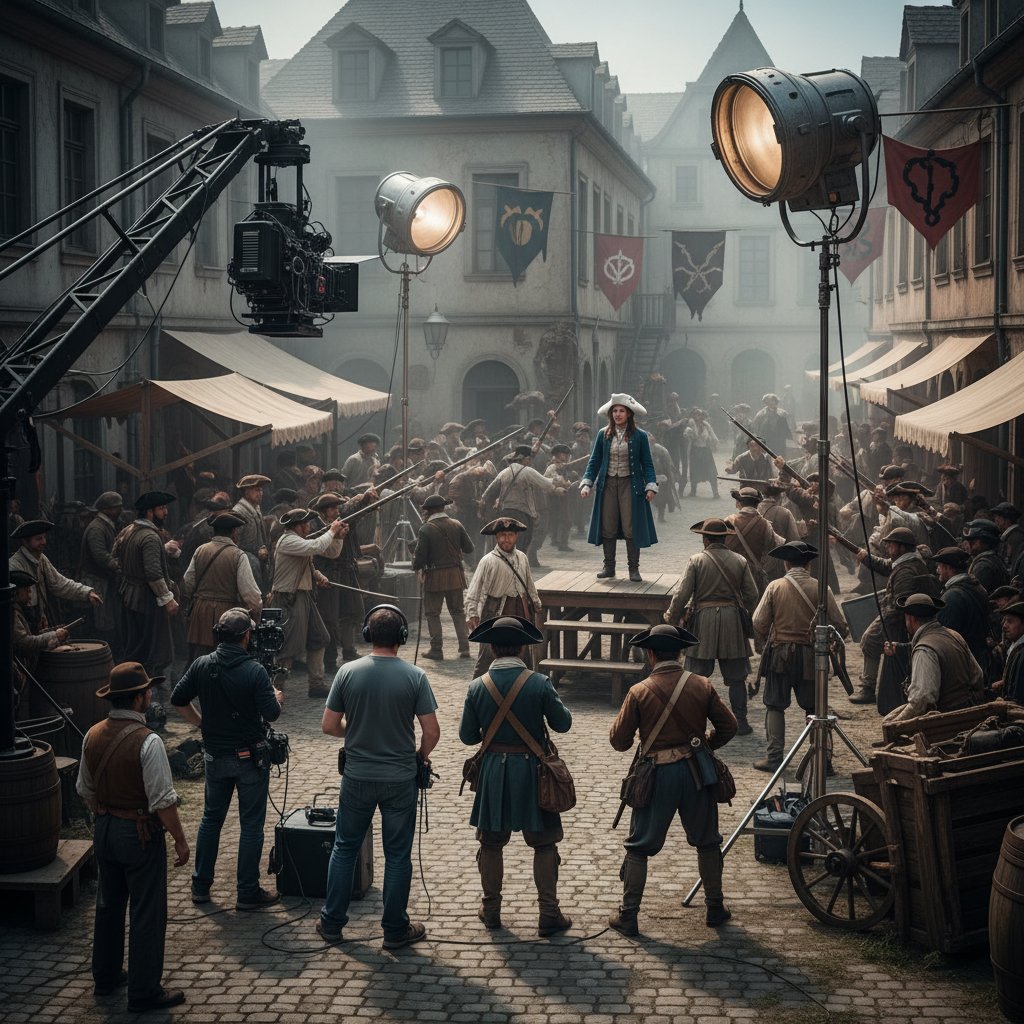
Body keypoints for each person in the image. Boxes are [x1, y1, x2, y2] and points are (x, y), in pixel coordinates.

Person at [318, 605, 440, 949]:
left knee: (344, 848)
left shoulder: (347, 672)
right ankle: (394, 930)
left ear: (367, 635)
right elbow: (431, 731)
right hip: (400, 779)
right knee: (398, 856)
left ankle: (331, 923)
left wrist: (356, 733)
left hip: (356, 776)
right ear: (402, 637)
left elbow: (329, 726)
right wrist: (420, 757)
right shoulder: (415, 676)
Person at [608, 624, 737, 933]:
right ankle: (715, 909)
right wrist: (703, 745)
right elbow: (729, 726)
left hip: (656, 776)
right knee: (707, 841)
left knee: (639, 846)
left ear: (650, 654)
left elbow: (619, 740)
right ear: (680, 653)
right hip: (697, 774)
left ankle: (628, 916)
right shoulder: (702, 685)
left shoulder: (639, 691)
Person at [76, 662, 189, 1012]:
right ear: (140, 698)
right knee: (146, 911)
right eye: (147, 691)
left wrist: (107, 812)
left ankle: (105, 977)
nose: (150, 695)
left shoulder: (92, 733)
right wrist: (181, 840)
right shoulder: (148, 740)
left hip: (105, 828)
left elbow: (85, 789)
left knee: (108, 905)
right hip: (137, 833)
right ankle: (143, 991)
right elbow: (163, 801)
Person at [459, 615, 573, 936]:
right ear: (523, 648)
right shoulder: (538, 682)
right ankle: (549, 914)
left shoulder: (476, 686)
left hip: (494, 772)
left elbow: (468, 736)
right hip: (534, 772)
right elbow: (563, 723)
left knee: (491, 843)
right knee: (544, 843)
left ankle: (491, 911)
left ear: (492, 648)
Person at [170, 608, 283, 910]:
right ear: (246, 636)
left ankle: (200, 887)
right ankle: (247, 892)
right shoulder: (255, 671)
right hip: (250, 760)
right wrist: (275, 695)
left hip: (215, 757)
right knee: (250, 827)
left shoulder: (201, 665)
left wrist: (201, 723)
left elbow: (177, 699)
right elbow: (272, 713)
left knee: (210, 820)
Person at [750, 542, 848, 772]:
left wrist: (772, 637)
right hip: (811, 656)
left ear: (786, 564)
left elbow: (758, 621)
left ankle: (774, 759)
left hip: (779, 655)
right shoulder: (822, 588)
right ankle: (823, 761)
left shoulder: (775, 586)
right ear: (808, 565)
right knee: (816, 709)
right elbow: (840, 624)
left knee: (775, 706)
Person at [664, 518, 759, 735]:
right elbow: (752, 595)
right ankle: (741, 722)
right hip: (732, 622)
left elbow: (681, 595)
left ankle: (693, 722)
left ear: (705, 539)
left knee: (695, 676)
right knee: (737, 678)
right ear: (725, 538)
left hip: (703, 621)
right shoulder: (740, 561)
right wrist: (737, 609)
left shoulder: (696, 560)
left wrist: (671, 618)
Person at [850, 526, 941, 711]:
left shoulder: (907, 570)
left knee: (870, 641)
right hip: (901, 619)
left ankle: (868, 687)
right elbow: (885, 566)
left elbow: (901, 604)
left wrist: (882, 623)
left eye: (891, 545)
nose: (888, 549)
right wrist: (865, 556)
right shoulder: (907, 562)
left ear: (901, 547)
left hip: (898, 619)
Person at [579, 393, 658, 582]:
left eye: (621, 411)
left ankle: (633, 569)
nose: (617, 414)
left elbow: (647, 463)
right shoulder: (602, 434)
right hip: (608, 484)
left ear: (629, 414)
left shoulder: (640, 436)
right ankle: (609, 566)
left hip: (630, 484)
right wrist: (587, 483)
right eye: (614, 411)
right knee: (608, 524)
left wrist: (650, 486)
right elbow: (595, 461)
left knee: (631, 526)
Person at [270, 507, 346, 697]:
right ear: (299, 525)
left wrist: (337, 536)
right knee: (288, 647)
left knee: (319, 637)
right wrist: (331, 530)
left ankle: (316, 684)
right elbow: (316, 547)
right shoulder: (287, 540)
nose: (309, 526)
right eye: (306, 523)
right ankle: (276, 688)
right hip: (289, 598)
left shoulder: (298, 540)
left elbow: (315, 559)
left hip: (303, 596)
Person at [881, 594, 985, 723]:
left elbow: (921, 701)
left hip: (948, 721)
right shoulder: (954, 635)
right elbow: (978, 676)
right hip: (972, 711)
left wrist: (894, 724)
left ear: (911, 618)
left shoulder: (924, 649)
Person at [112, 492, 179, 681]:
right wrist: (168, 599)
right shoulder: (149, 537)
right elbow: (153, 574)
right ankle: (149, 694)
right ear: (149, 512)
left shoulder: (130, 530)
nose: (166, 512)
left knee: (136, 646)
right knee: (152, 652)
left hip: (130, 596)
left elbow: (117, 556)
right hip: (146, 600)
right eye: (161, 509)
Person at [180, 511, 262, 663]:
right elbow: (250, 593)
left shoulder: (200, 550)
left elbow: (187, 583)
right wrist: (257, 611)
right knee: (223, 660)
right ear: (233, 532)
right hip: (227, 616)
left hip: (199, 612)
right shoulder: (238, 555)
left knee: (199, 659)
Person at [466, 517, 543, 676]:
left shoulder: (522, 557)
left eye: (510, 535)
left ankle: (522, 689)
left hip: (520, 610)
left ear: (516, 536)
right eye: (502, 535)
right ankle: (479, 690)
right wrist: (472, 613)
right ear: (496, 537)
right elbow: (475, 589)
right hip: (495, 612)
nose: (506, 539)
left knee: (522, 653)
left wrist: (535, 602)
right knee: (488, 655)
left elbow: (529, 583)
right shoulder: (488, 561)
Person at [411, 494, 474, 661]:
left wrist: (416, 566)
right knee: (458, 611)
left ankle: (436, 649)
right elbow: (469, 548)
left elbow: (420, 558)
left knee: (432, 613)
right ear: (442, 508)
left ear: (430, 511)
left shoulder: (425, 529)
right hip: (455, 574)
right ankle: (465, 648)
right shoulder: (456, 524)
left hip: (434, 576)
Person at [480, 444, 564, 568]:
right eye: (529, 459)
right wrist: (558, 486)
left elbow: (488, 493)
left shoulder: (504, 472)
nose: (530, 462)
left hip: (504, 514)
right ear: (525, 459)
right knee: (521, 545)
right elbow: (546, 483)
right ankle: (516, 570)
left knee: (506, 544)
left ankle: (505, 568)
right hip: (521, 515)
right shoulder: (527, 471)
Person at [10, 519, 101, 627]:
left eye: (44, 537)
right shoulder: (14, 565)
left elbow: (59, 583)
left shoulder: (41, 559)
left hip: (39, 620)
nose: (44, 542)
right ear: (25, 542)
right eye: (38, 539)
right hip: (23, 622)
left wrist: (87, 592)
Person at [11, 569, 69, 711]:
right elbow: (24, 643)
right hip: (16, 674)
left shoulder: (16, 609)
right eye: (27, 591)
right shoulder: (11, 612)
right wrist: (54, 636)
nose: (30, 596)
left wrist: (51, 632)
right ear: (16, 592)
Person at [932, 546, 992, 677]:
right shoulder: (977, 587)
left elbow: (945, 639)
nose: (937, 570)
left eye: (940, 566)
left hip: (963, 667)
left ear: (949, 568)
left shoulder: (951, 597)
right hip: (979, 660)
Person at [80, 491, 124, 655]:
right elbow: (100, 556)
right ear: (107, 509)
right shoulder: (96, 528)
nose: (120, 511)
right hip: (96, 581)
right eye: (117, 508)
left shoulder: (108, 525)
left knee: (108, 618)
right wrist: (119, 565)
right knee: (102, 620)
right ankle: (101, 652)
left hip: (105, 579)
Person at [724, 487, 785, 598]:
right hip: (753, 578)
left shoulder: (727, 521)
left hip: (729, 575)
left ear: (738, 503)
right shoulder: (765, 525)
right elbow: (774, 546)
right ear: (757, 505)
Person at [232, 473, 273, 591]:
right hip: (247, 562)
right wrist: (256, 552)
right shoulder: (239, 512)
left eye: (261, 490)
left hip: (259, 559)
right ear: (246, 492)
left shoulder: (255, 508)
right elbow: (235, 543)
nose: (260, 493)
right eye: (256, 490)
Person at [963, 518, 1010, 592]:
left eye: (974, 541)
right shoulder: (993, 559)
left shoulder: (983, 566)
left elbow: (975, 595)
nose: (969, 545)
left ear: (986, 542)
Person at [684, 408, 719, 498]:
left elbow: (713, 435)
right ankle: (693, 491)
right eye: (697, 414)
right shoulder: (690, 425)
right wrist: (690, 435)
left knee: (711, 471)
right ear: (694, 416)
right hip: (695, 450)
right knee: (694, 471)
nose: (699, 416)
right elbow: (686, 435)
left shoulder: (706, 425)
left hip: (705, 451)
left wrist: (713, 442)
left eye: (700, 414)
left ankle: (715, 493)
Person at [994, 602, 1024, 704]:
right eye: (1004, 621)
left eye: (1010, 621)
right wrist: (1005, 682)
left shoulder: (1022, 653)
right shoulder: (1015, 646)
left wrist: (1004, 703)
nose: (1004, 626)